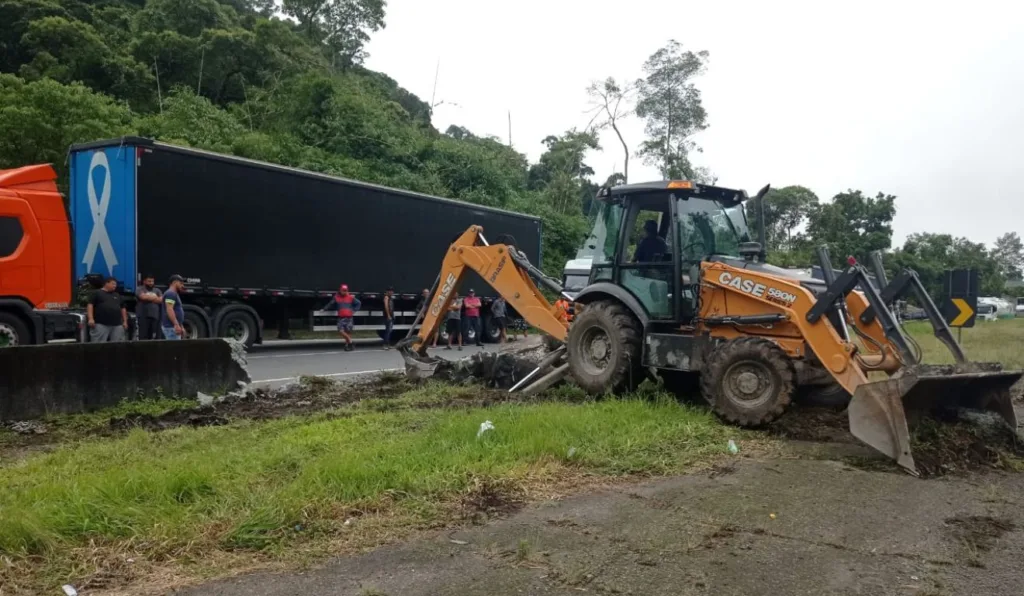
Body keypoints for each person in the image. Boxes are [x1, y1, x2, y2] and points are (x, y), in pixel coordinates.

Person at [88, 276, 127, 342]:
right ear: (106, 283)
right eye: (113, 284)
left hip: (117, 325)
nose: (115, 286)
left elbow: (123, 308)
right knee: (98, 345)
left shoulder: (117, 295)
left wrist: (125, 321)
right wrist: (90, 318)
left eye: (115, 284)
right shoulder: (97, 293)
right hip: (101, 324)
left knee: (118, 345)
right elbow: (90, 305)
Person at [326, 284, 361, 351]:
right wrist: (324, 309)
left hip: (349, 318)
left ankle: (348, 346)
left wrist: (354, 310)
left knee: (348, 332)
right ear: (340, 290)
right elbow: (330, 304)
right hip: (341, 318)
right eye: (343, 290)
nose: (344, 292)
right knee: (341, 331)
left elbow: (358, 303)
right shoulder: (336, 297)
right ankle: (351, 342)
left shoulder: (350, 297)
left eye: (346, 290)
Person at [135, 274, 163, 340]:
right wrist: (155, 297)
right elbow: (142, 297)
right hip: (143, 316)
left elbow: (161, 300)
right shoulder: (139, 289)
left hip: (155, 317)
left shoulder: (157, 290)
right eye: (149, 281)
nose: (151, 283)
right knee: (143, 336)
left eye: (152, 281)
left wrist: (148, 297)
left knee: (154, 337)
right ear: (144, 281)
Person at [161, 274, 187, 340]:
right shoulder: (170, 293)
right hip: (171, 328)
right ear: (174, 282)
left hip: (173, 327)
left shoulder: (174, 294)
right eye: (181, 283)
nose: (182, 286)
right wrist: (176, 325)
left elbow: (175, 310)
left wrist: (181, 326)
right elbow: (169, 309)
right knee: (173, 349)